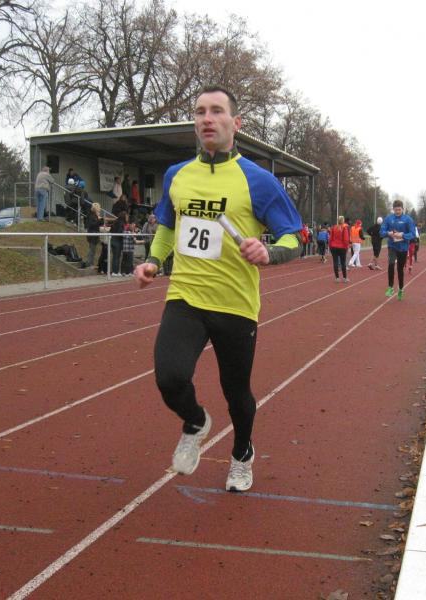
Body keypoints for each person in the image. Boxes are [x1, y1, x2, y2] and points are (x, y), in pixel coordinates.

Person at [133, 85, 302, 492]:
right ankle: (195, 421)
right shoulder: (177, 175)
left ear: (236, 122)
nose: (207, 118)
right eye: (200, 111)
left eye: (216, 111)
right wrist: (154, 261)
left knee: (236, 391)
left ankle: (242, 452)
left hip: (235, 303)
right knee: (170, 377)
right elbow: (168, 227)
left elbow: (293, 237)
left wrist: (269, 251)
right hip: (186, 296)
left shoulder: (259, 181)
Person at [380, 199, 415, 300]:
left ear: (403, 209)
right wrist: (388, 233)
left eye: (399, 209)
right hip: (392, 246)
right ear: (393, 209)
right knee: (391, 264)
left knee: (400, 269)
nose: (397, 211)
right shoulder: (389, 218)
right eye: (396, 210)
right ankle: (390, 287)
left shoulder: (408, 219)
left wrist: (402, 235)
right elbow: (381, 232)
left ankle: (400, 289)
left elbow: (412, 234)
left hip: (403, 247)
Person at [329, 215, 351, 281]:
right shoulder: (344, 227)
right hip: (342, 247)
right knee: (343, 262)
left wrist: (330, 246)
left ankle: (337, 278)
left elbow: (330, 238)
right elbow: (346, 239)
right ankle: (344, 278)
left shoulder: (333, 227)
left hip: (333, 246)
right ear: (343, 220)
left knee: (335, 262)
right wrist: (347, 246)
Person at [84, 202, 102, 268]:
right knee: (91, 250)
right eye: (99, 208)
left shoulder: (94, 215)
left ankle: (90, 263)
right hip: (92, 235)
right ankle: (89, 263)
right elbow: (91, 224)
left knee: (93, 250)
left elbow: (99, 224)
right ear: (96, 208)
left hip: (94, 234)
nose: (100, 209)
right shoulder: (91, 215)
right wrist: (99, 220)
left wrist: (100, 220)